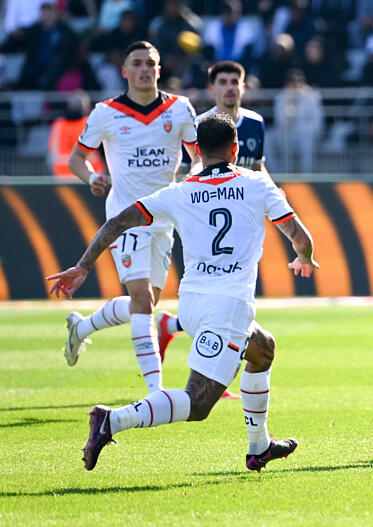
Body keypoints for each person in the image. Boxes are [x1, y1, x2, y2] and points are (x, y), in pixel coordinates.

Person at [47, 113, 319, 472]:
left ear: (199, 151)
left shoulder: (180, 191)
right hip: (228, 307)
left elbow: (116, 223)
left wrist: (83, 266)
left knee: (263, 349)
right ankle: (111, 420)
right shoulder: (258, 184)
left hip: (190, 305)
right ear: (235, 149)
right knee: (197, 405)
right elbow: (300, 237)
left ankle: (259, 447)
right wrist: (305, 259)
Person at [63, 41, 201, 395]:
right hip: (125, 218)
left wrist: (194, 178)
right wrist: (92, 177)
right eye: (137, 63)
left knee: (147, 303)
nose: (144, 69)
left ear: (160, 69)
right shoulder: (106, 112)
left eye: (150, 63)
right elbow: (77, 159)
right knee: (142, 299)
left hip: (164, 217)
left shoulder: (179, 108)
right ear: (124, 71)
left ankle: (81, 328)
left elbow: (197, 156)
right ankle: (156, 393)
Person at [157, 60, 268, 368]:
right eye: (224, 82)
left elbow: (257, 166)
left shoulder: (255, 123)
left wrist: (273, 200)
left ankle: (171, 326)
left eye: (235, 81)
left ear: (243, 86)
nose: (230, 87)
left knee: (234, 295)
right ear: (213, 88)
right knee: (223, 296)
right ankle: (218, 369)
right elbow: (192, 166)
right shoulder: (201, 125)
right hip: (211, 218)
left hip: (244, 218)